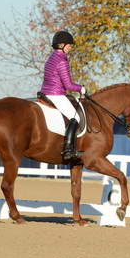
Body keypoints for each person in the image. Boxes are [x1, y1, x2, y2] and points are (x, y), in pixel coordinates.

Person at [40, 30, 86, 161]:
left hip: (45, 92)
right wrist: (81, 88)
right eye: (69, 46)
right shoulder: (62, 61)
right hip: (56, 94)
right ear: (62, 45)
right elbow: (68, 86)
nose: (70, 48)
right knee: (75, 117)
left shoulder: (51, 58)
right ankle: (68, 150)